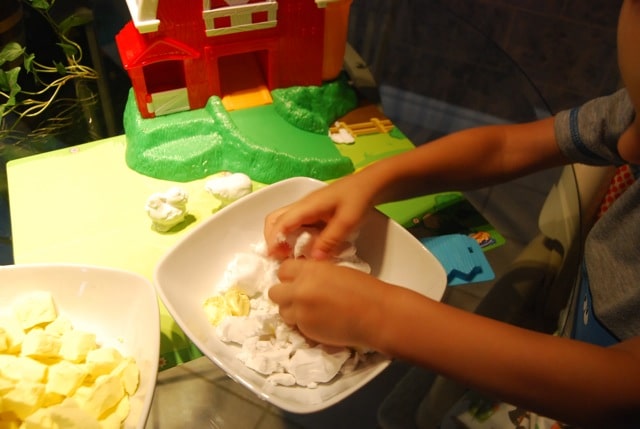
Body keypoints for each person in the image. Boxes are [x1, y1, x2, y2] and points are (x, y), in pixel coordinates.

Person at [262, 1, 640, 427]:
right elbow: (505, 149)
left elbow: (617, 390)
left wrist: (378, 317)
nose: (626, 149)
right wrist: (370, 181)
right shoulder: (628, 116)